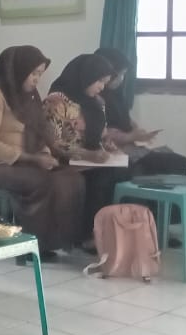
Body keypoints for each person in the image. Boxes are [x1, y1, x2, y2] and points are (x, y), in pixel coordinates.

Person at [95, 47, 186, 242]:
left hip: (131, 149)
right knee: (170, 165)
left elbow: (127, 121)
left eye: (123, 75)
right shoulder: (95, 98)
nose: (121, 79)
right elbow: (103, 133)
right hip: (116, 153)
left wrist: (140, 133)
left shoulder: (116, 95)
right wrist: (131, 136)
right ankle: (167, 226)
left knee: (177, 165)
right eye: (119, 74)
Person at [0, 46, 85, 259]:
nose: (37, 79)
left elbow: (38, 132)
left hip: (28, 162)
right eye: (33, 73)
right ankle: (28, 246)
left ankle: (55, 241)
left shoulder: (31, 96)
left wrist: (45, 154)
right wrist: (32, 158)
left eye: (40, 74)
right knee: (42, 181)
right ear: (19, 70)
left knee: (71, 178)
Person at [44, 53, 133, 243]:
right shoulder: (56, 101)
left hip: (90, 159)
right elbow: (53, 142)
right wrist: (88, 154)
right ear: (85, 76)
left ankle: (115, 231)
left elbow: (100, 135)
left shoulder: (97, 102)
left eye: (105, 82)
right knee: (101, 177)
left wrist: (106, 146)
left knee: (125, 172)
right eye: (99, 81)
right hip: (64, 160)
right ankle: (89, 235)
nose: (102, 87)